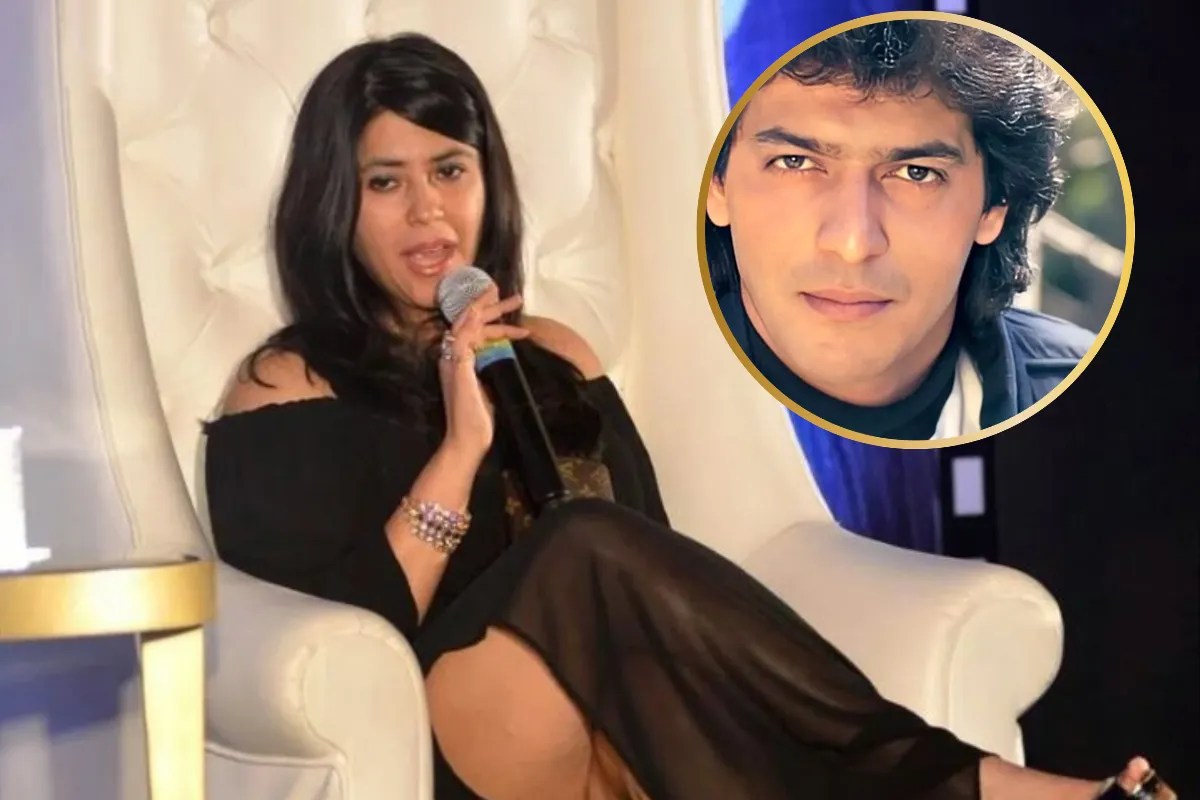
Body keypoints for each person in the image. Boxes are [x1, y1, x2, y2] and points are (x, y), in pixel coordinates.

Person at [203, 32, 1167, 800]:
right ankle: (989, 788)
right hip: (455, 717)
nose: (428, 212)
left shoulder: (553, 351)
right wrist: (461, 448)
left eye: (450, 170)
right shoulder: (293, 382)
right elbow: (341, 635)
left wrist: (515, 381)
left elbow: (647, 561)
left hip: (606, 708)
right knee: (581, 542)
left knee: (626, 582)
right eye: (385, 182)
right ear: (337, 203)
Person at [705, 19, 1102, 441]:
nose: (854, 244)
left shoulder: (1096, 407)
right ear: (718, 186)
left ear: (993, 208)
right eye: (794, 162)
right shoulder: (656, 398)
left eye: (916, 173)